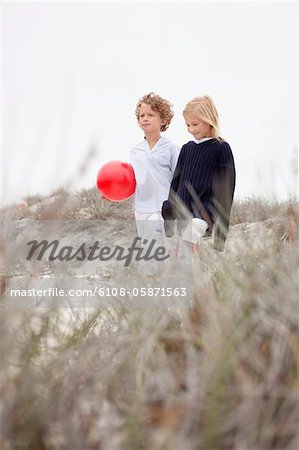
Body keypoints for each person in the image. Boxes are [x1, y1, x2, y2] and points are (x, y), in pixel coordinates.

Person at [162, 95, 236, 253]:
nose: (191, 129)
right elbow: (175, 184)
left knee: (188, 242)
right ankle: (201, 275)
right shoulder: (186, 149)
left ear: (209, 119)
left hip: (204, 213)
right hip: (183, 214)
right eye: (188, 125)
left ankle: (199, 274)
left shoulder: (221, 148)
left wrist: (220, 238)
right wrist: (169, 216)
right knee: (186, 252)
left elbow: (226, 191)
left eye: (195, 124)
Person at [130, 92, 180, 275]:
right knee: (146, 248)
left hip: (162, 207)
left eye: (150, 115)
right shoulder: (135, 151)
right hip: (141, 207)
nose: (145, 118)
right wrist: (111, 194)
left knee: (156, 245)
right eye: (142, 115)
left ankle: (163, 281)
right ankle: (149, 286)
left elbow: (179, 179)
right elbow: (132, 181)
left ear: (163, 120)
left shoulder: (171, 148)